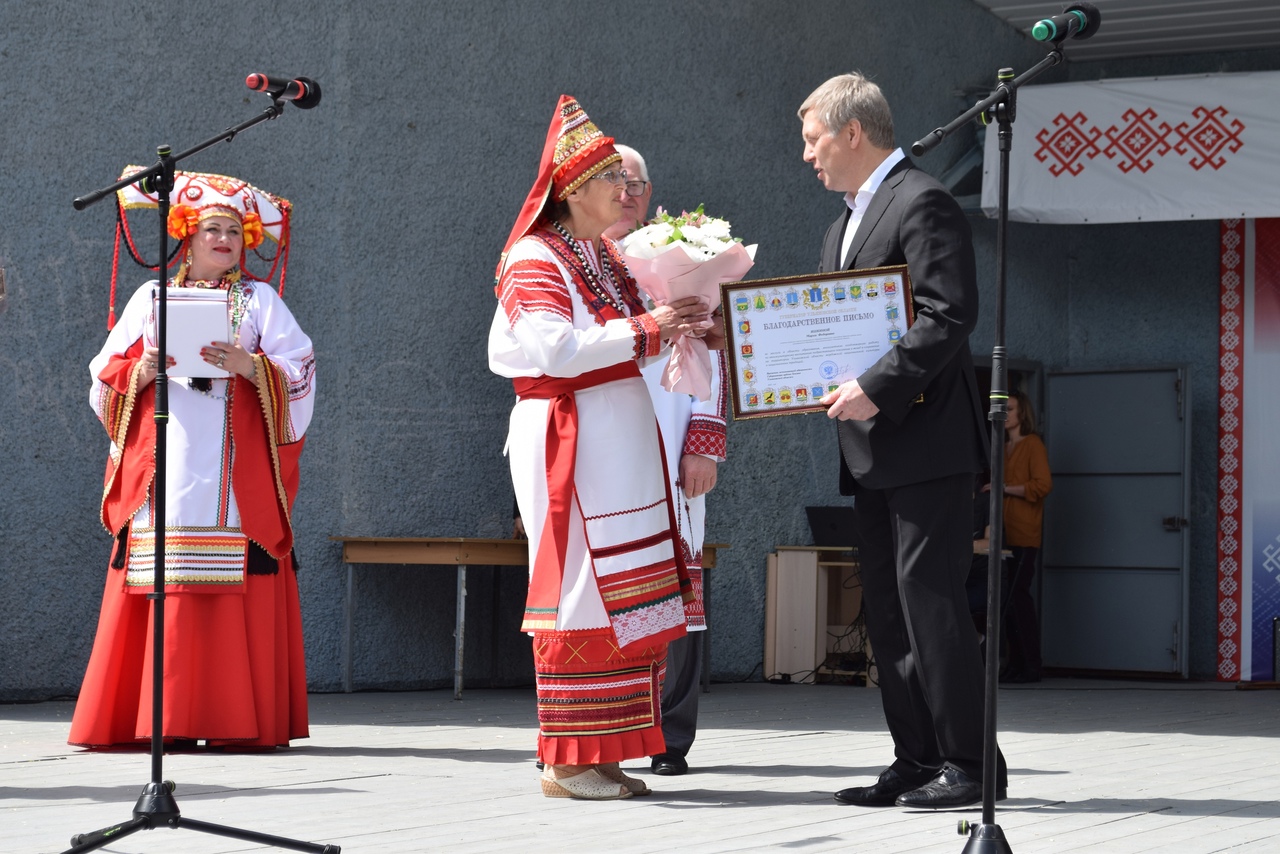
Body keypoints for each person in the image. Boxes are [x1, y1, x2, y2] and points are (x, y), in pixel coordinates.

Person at [488, 95, 713, 800]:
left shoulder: (603, 254)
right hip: (573, 440)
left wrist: (689, 325)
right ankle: (567, 760)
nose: (627, 192)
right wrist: (653, 329)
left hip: (619, 439)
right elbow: (554, 348)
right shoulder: (532, 255)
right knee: (587, 587)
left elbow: (638, 333)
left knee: (631, 591)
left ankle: (605, 752)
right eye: (613, 179)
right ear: (573, 190)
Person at [800, 72, 1005, 809]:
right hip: (872, 451)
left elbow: (949, 315)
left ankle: (972, 766)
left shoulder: (922, 199)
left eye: (813, 138)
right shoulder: (840, 224)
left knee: (933, 606)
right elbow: (828, 328)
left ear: (853, 132)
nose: (807, 155)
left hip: (927, 445)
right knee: (886, 612)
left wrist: (874, 387)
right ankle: (916, 757)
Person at [70, 171, 315, 750]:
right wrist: (141, 372)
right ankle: (161, 718)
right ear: (186, 233)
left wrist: (251, 366)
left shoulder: (261, 300)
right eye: (212, 228)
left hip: (234, 474)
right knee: (164, 574)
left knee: (228, 570)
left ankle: (231, 721)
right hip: (167, 464)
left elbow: (300, 368)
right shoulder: (149, 297)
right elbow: (103, 373)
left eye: (235, 229)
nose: (225, 238)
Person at [604, 145, 728, 777]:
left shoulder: (677, 257)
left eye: (637, 183)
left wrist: (704, 441)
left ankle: (669, 735)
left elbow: (714, 352)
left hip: (674, 438)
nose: (627, 192)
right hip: (603, 447)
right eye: (614, 181)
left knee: (676, 589)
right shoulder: (578, 261)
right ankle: (604, 731)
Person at [989, 390, 1052, 683]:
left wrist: (1003, 488)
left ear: (1022, 412)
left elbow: (1041, 485)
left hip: (1024, 533)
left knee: (1017, 599)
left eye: (1010, 408)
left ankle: (1030, 665)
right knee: (1008, 601)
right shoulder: (1002, 446)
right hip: (1003, 534)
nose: (1006, 413)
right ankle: (1016, 665)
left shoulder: (1032, 444)